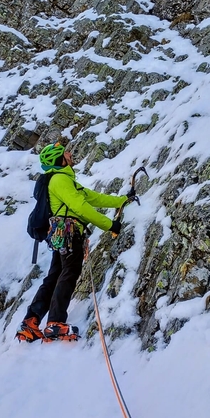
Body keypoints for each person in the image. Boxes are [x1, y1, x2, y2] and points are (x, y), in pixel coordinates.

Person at [16, 142, 133, 342]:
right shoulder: (61, 179)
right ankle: (55, 323)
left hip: (60, 234)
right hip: (70, 233)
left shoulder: (63, 180)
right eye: (65, 153)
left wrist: (121, 200)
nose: (70, 154)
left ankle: (31, 322)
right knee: (68, 273)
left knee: (54, 276)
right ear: (60, 160)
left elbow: (92, 198)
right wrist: (109, 225)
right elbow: (80, 206)